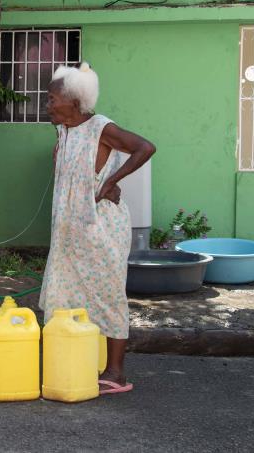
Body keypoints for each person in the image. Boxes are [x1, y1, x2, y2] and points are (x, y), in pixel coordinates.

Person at [40, 62, 156, 394]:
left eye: (51, 98)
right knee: (64, 296)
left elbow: (145, 147)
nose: (47, 104)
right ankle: (76, 360)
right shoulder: (63, 130)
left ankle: (116, 373)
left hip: (99, 230)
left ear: (74, 101)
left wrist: (111, 182)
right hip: (67, 232)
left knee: (107, 296)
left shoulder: (101, 128)